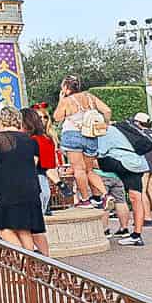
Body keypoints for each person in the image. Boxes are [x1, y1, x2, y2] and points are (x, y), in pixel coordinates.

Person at [0, 107, 49, 255]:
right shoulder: (31, 141)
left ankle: (23, 264)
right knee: (24, 229)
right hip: (30, 189)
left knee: (3, 229)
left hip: (6, 190)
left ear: (1, 120)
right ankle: (32, 268)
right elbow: (34, 163)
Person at [53, 76, 111, 208]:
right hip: (90, 135)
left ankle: (85, 200)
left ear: (66, 88)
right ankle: (104, 195)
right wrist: (105, 124)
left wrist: (61, 100)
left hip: (73, 134)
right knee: (89, 170)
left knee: (79, 169)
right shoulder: (90, 97)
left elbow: (57, 117)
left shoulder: (67, 100)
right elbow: (107, 110)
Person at [96, 120, 152, 247]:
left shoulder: (105, 132)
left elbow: (100, 152)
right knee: (136, 198)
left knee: (89, 164)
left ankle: (103, 194)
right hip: (138, 164)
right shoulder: (122, 129)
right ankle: (137, 235)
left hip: (122, 163)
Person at [22, 106, 58, 219]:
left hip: (38, 178)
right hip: (40, 178)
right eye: (39, 117)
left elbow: (39, 165)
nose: (42, 119)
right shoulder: (36, 139)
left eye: (45, 117)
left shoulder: (38, 140)